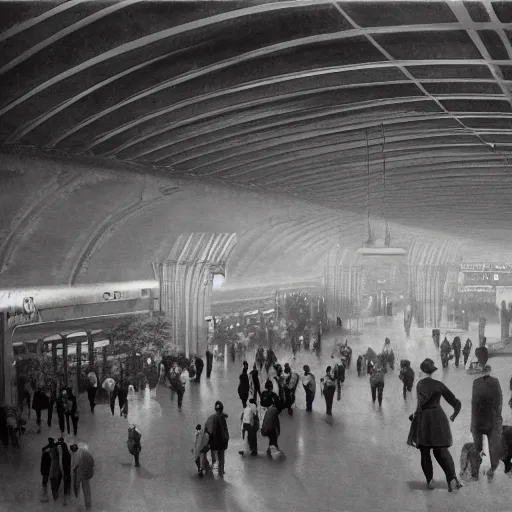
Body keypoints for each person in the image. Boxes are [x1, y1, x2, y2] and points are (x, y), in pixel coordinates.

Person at [407, 358, 462, 493]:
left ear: (422, 370)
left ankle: (430, 480)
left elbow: (421, 403)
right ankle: (452, 479)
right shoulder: (439, 384)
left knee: (425, 452)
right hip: (438, 419)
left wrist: (414, 415)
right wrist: (454, 414)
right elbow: (454, 401)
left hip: (424, 419)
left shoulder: (420, 384)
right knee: (441, 450)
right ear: (432, 371)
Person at [471, 365, 503, 478]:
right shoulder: (495, 382)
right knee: (493, 446)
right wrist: (498, 417)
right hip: (492, 419)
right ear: (490, 371)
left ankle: (475, 472)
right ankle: (492, 469)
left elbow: (474, 403)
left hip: (478, 420)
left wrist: (473, 422)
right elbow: (499, 400)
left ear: (481, 372)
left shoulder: (475, 383)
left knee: (477, 446)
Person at [205, 401, 229, 476]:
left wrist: (208, 442)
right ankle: (221, 472)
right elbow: (225, 431)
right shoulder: (222, 418)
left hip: (213, 442)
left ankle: (210, 469)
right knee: (221, 457)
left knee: (213, 457)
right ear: (222, 409)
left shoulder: (211, 418)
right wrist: (226, 439)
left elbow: (207, 429)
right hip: (221, 442)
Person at [70, 443, 94, 511]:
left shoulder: (77, 455)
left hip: (81, 472)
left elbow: (76, 466)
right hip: (85, 473)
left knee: (79, 487)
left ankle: (84, 505)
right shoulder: (85, 453)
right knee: (86, 490)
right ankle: (88, 506)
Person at [40, 438, 52, 502]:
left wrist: (42, 470)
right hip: (47, 470)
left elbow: (42, 463)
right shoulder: (48, 453)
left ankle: (45, 495)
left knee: (45, 482)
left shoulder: (45, 454)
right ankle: (45, 494)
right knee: (45, 482)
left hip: (46, 470)